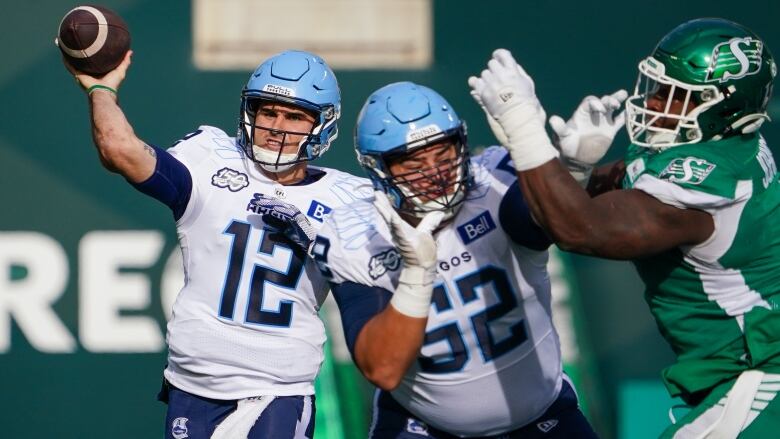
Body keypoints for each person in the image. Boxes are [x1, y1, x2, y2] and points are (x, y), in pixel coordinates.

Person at [469, 18, 780, 438]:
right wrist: (575, 169)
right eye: (657, 88)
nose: (653, 104)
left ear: (725, 107)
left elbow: (581, 229)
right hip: (740, 369)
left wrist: (524, 129)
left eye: (675, 96)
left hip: (760, 368)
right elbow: (606, 195)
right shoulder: (719, 144)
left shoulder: (707, 180)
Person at [64, 49, 371, 439]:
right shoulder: (211, 158)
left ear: (322, 125)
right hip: (193, 387)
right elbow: (119, 150)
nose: (277, 126)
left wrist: (323, 242)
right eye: (267, 111)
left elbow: (392, 271)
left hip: (277, 390)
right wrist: (100, 89)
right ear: (250, 113)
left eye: (294, 116)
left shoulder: (348, 197)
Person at [312, 81, 598, 438]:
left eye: (443, 154)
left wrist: (570, 171)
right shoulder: (355, 232)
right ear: (378, 169)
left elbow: (545, 228)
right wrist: (416, 274)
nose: (434, 173)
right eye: (413, 161)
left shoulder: (494, 179)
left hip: (541, 416)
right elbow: (383, 368)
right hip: (424, 428)